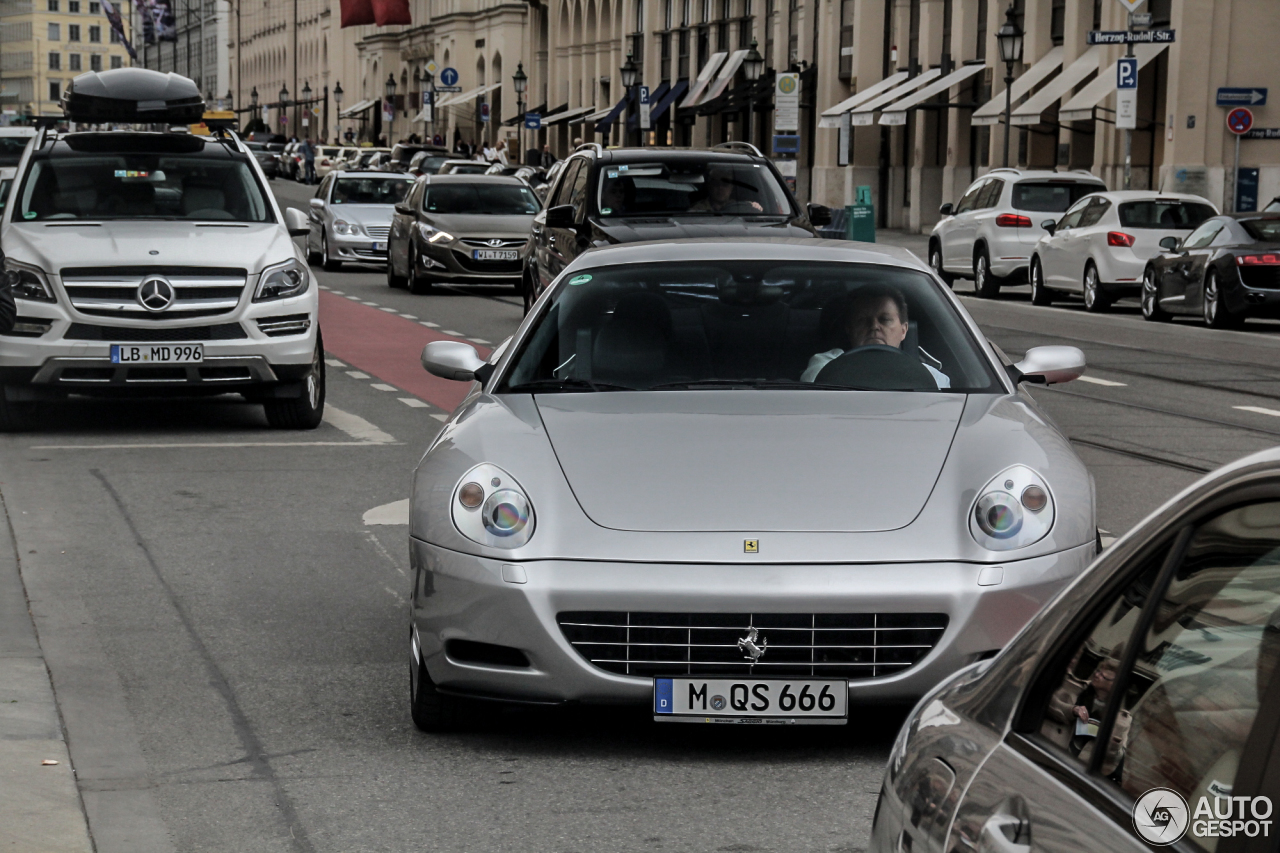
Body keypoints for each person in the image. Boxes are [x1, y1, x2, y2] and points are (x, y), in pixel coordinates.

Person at [801, 285, 950, 388]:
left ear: (904, 330)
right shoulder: (824, 366)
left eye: (884, 319)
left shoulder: (933, 378)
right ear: (849, 329)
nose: (874, 326)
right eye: (863, 320)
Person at [690, 165, 764, 214]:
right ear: (710, 186)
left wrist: (753, 207)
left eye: (725, 184)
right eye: (716, 184)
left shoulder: (742, 208)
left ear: (731, 187)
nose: (720, 188)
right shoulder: (697, 211)